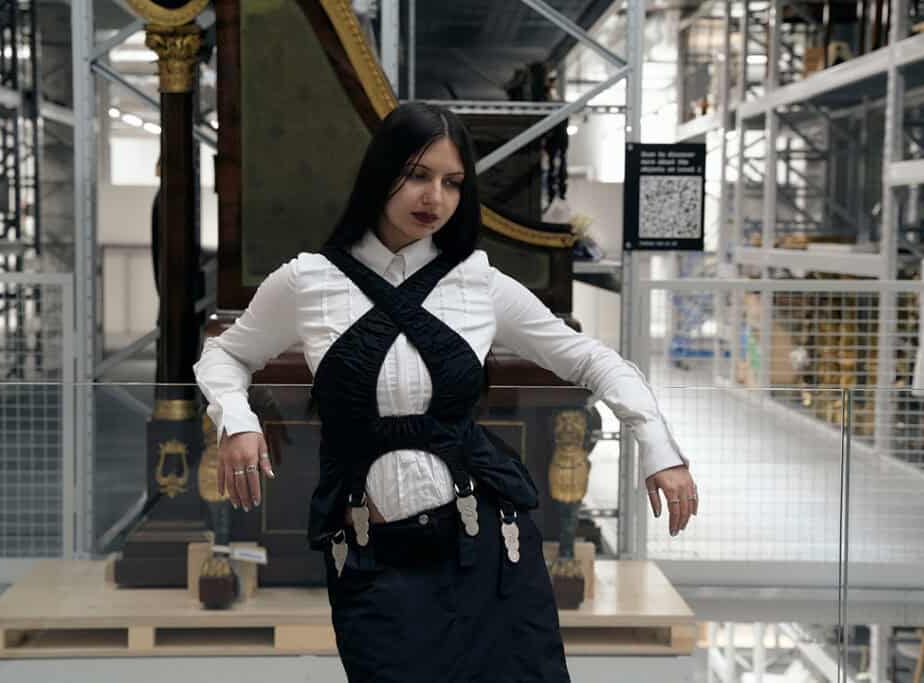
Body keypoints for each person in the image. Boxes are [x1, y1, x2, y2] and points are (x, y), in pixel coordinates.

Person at [193, 101, 698, 682]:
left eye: (452, 182)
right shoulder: (310, 280)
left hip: (489, 546)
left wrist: (659, 448)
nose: (434, 196)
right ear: (380, 174)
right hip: (372, 553)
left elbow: (592, 359)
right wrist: (237, 419)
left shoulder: (478, 282)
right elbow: (225, 354)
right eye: (417, 175)